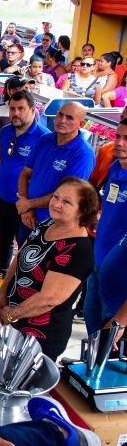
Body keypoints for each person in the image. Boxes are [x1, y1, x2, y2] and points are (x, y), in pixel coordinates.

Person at [0, 176, 97, 360]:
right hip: (14, 320)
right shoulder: (47, 225)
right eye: (56, 197)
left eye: (67, 202)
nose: (57, 204)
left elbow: (48, 299)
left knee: (26, 386)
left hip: (41, 335)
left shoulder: (78, 250)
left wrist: (11, 314)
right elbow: (20, 258)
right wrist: (2, 295)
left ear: (82, 212)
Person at [0, 91, 51, 291]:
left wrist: (28, 204)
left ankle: (22, 283)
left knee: (25, 243)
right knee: (1, 237)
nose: (16, 113)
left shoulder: (44, 137)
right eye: (12, 108)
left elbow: (40, 174)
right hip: (0, 195)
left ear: (32, 111)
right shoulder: (5, 131)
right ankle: (0, 274)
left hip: (24, 202)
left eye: (21, 109)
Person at [16, 102, 95, 243]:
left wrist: (28, 204)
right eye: (60, 114)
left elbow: (67, 195)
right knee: (21, 260)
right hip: (28, 217)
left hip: (54, 225)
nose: (62, 120)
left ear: (81, 124)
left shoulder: (83, 154)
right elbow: (25, 173)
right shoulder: (44, 140)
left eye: (69, 118)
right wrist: (25, 207)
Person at [83, 120, 127, 334]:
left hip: (121, 273)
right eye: (118, 136)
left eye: (126, 139)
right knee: (92, 323)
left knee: (111, 337)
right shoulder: (115, 167)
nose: (119, 143)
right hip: (98, 259)